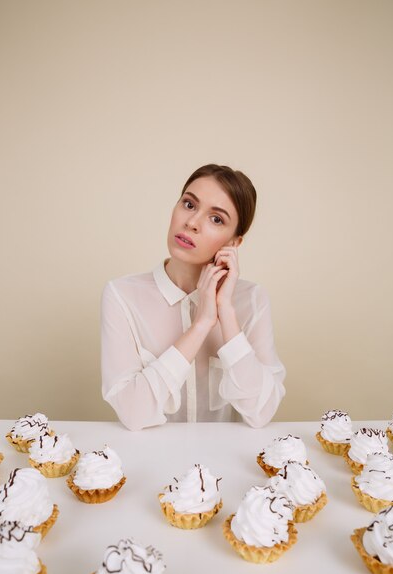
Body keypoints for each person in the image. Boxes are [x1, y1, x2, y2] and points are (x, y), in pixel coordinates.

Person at [101, 164, 286, 430]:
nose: (192, 223)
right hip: (149, 465)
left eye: (216, 219)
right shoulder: (121, 296)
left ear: (233, 244)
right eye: (189, 205)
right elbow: (132, 413)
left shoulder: (252, 299)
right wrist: (202, 324)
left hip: (225, 467)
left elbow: (261, 412)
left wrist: (226, 312)